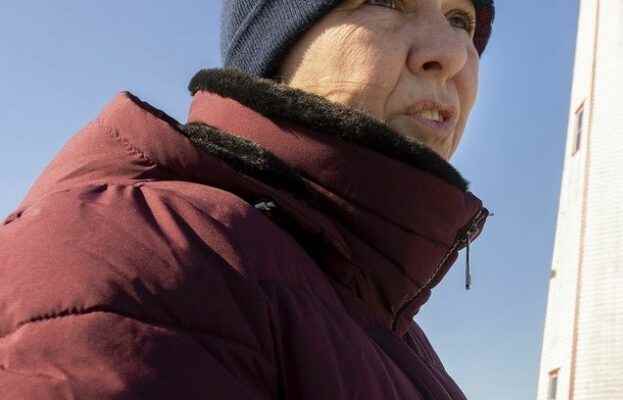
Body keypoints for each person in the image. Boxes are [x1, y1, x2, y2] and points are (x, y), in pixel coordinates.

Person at [0, 0, 494, 398]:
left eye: (460, 19)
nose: (451, 52)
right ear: (277, 50)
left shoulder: (380, 323)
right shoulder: (135, 253)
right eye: (387, 2)